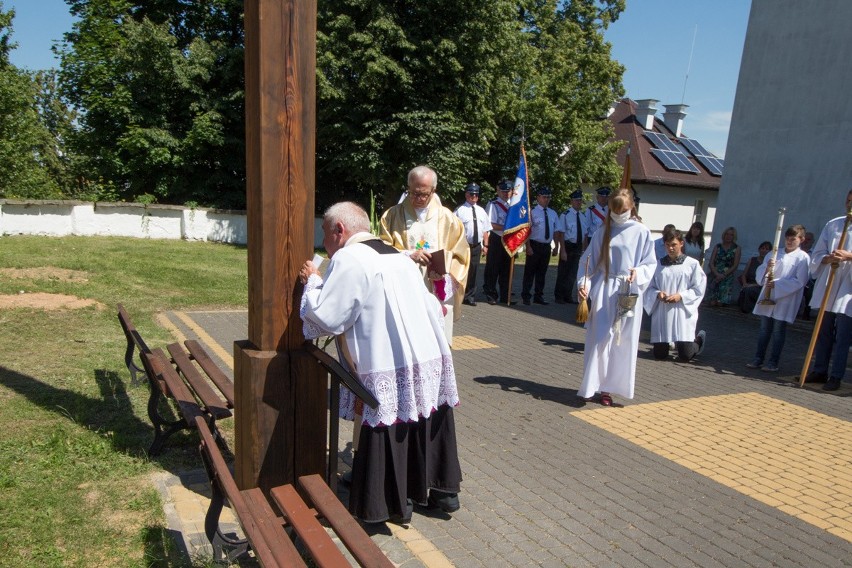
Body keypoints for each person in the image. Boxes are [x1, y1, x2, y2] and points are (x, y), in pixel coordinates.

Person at [299, 202, 462, 524]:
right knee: (423, 414)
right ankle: (440, 491)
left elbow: (328, 317)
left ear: (339, 230)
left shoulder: (349, 256)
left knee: (387, 418)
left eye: (324, 233)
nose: (324, 242)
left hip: (388, 357)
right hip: (425, 352)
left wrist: (314, 282)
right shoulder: (391, 252)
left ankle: (388, 503)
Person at [576, 189, 656, 406]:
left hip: (627, 290)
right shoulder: (603, 231)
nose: (619, 215)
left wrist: (638, 273)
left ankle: (608, 388)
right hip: (604, 288)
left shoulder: (641, 232)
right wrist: (583, 284)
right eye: (615, 211)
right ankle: (592, 384)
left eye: (623, 211)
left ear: (631, 208)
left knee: (621, 340)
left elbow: (650, 263)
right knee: (599, 339)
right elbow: (588, 262)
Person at [380, 165, 470, 344]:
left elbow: (461, 256)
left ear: (433, 190)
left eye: (424, 194)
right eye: (413, 193)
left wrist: (444, 276)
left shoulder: (448, 219)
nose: (418, 198)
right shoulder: (392, 216)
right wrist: (408, 255)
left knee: (434, 341)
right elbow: (381, 250)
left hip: (435, 289)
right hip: (403, 289)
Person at [744, 225, 809, 373]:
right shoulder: (774, 253)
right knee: (764, 329)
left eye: (793, 239)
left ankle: (773, 361)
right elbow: (760, 276)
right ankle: (758, 358)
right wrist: (767, 268)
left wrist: (778, 284)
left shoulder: (802, 258)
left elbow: (801, 281)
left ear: (801, 239)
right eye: (787, 239)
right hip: (768, 295)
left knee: (778, 330)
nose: (789, 242)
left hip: (785, 298)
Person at [805, 189, 852, 391]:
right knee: (823, 331)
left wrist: (849, 256)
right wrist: (829, 258)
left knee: (843, 335)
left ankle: (836, 375)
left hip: (847, 287)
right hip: (829, 283)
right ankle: (820, 369)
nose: (850, 205)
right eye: (848, 200)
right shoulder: (834, 224)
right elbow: (818, 253)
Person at [645, 228, 707, 361]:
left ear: (681, 243)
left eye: (674, 244)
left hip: (682, 311)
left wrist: (681, 296)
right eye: (667, 245)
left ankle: (699, 340)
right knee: (660, 356)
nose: (670, 248)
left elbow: (698, 288)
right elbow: (649, 287)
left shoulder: (692, 264)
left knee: (685, 356)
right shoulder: (658, 265)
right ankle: (669, 343)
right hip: (663, 310)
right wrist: (657, 293)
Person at [454, 182, 492, 306]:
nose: (474, 197)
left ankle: (470, 296)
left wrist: (486, 245)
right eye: (471, 194)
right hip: (463, 246)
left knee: (474, 271)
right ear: (466, 195)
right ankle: (459, 294)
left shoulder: (481, 211)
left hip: (476, 245)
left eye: (476, 194)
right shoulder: (460, 211)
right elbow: (454, 229)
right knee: (462, 270)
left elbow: (485, 229)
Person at [521, 186, 558, 305]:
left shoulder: (552, 213)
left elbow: (557, 231)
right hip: (534, 245)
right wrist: (528, 246)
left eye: (548, 197)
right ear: (538, 198)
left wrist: (556, 246)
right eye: (544, 197)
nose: (546, 200)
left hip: (546, 246)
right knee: (529, 273)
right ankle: (526, 296)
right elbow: (527, 231)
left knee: (542, 273)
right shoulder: (532, 212)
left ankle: (539, 296)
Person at [553, 189, 589, 304]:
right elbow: (561, 233)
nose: (578, 202)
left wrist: (585, 250)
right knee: (563, 272)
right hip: (568, 246)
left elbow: (585, 235)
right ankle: (559, 296)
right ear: (571, 201)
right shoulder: (565, 215)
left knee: (573, 273)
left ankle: (568, 295)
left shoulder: (583, 217)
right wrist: (562, 250)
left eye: (580, 200)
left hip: (578, 247)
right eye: (576, 200)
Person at [483, 179, 515, 305]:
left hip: (510, 240)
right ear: (498, 190)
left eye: (508, 191)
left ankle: (505, 295)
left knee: (507, 269)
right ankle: (490, 294)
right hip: (497, 239)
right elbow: (490, 224)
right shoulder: (493, 204)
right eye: (503, 191)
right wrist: (507, 228)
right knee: (493, 268)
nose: (506, 194)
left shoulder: (514, 206)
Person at [706, 226, 741, 307]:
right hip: (715, 274)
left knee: (719, 303)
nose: (728, 236)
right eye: (727, 234)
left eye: (731, 235)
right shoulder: (718, 246)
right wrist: (716, 274)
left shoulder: (736, 248)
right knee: (712, 303)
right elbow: (711, 262)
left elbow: (735, 264)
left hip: (727, 276)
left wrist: (723, 275)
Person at [737, 241, 772, 313]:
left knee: (749, 290)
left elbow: (764, 280)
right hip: (748, 283)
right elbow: (744, 274)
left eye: (766, 249)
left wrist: (751, 285)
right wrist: (744, 283)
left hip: (760, 285)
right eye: (762, 248)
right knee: (745, 289)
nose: (764, 250)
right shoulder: (752, 260)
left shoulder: (768, 263)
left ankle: (748, 310)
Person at [799, 231, 816, 319]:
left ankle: (806, 312)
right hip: (795, 279)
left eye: (808, 240)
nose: (806, 241)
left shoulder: (815, 254)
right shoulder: (795, 252)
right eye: (804, 239)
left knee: (811, 290)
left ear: (813, 241)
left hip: (809, 281)